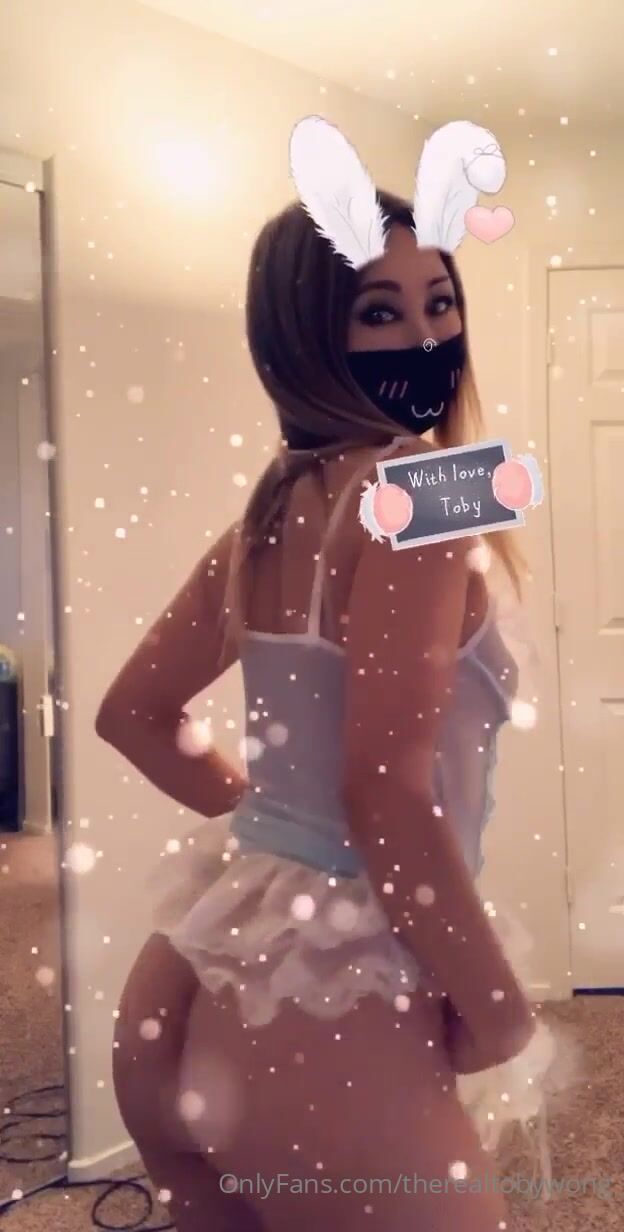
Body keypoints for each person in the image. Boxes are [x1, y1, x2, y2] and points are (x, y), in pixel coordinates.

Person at [96, 189, 540, 1232]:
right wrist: (501, 1009)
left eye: (440, 301)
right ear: (305, 333)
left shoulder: (274, 505)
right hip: (325, 1008)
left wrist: (277, 831)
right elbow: (383, 791)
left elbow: (134, 712)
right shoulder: (426, 486)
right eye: (381, 311)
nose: (427, 336)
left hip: (191, 980)